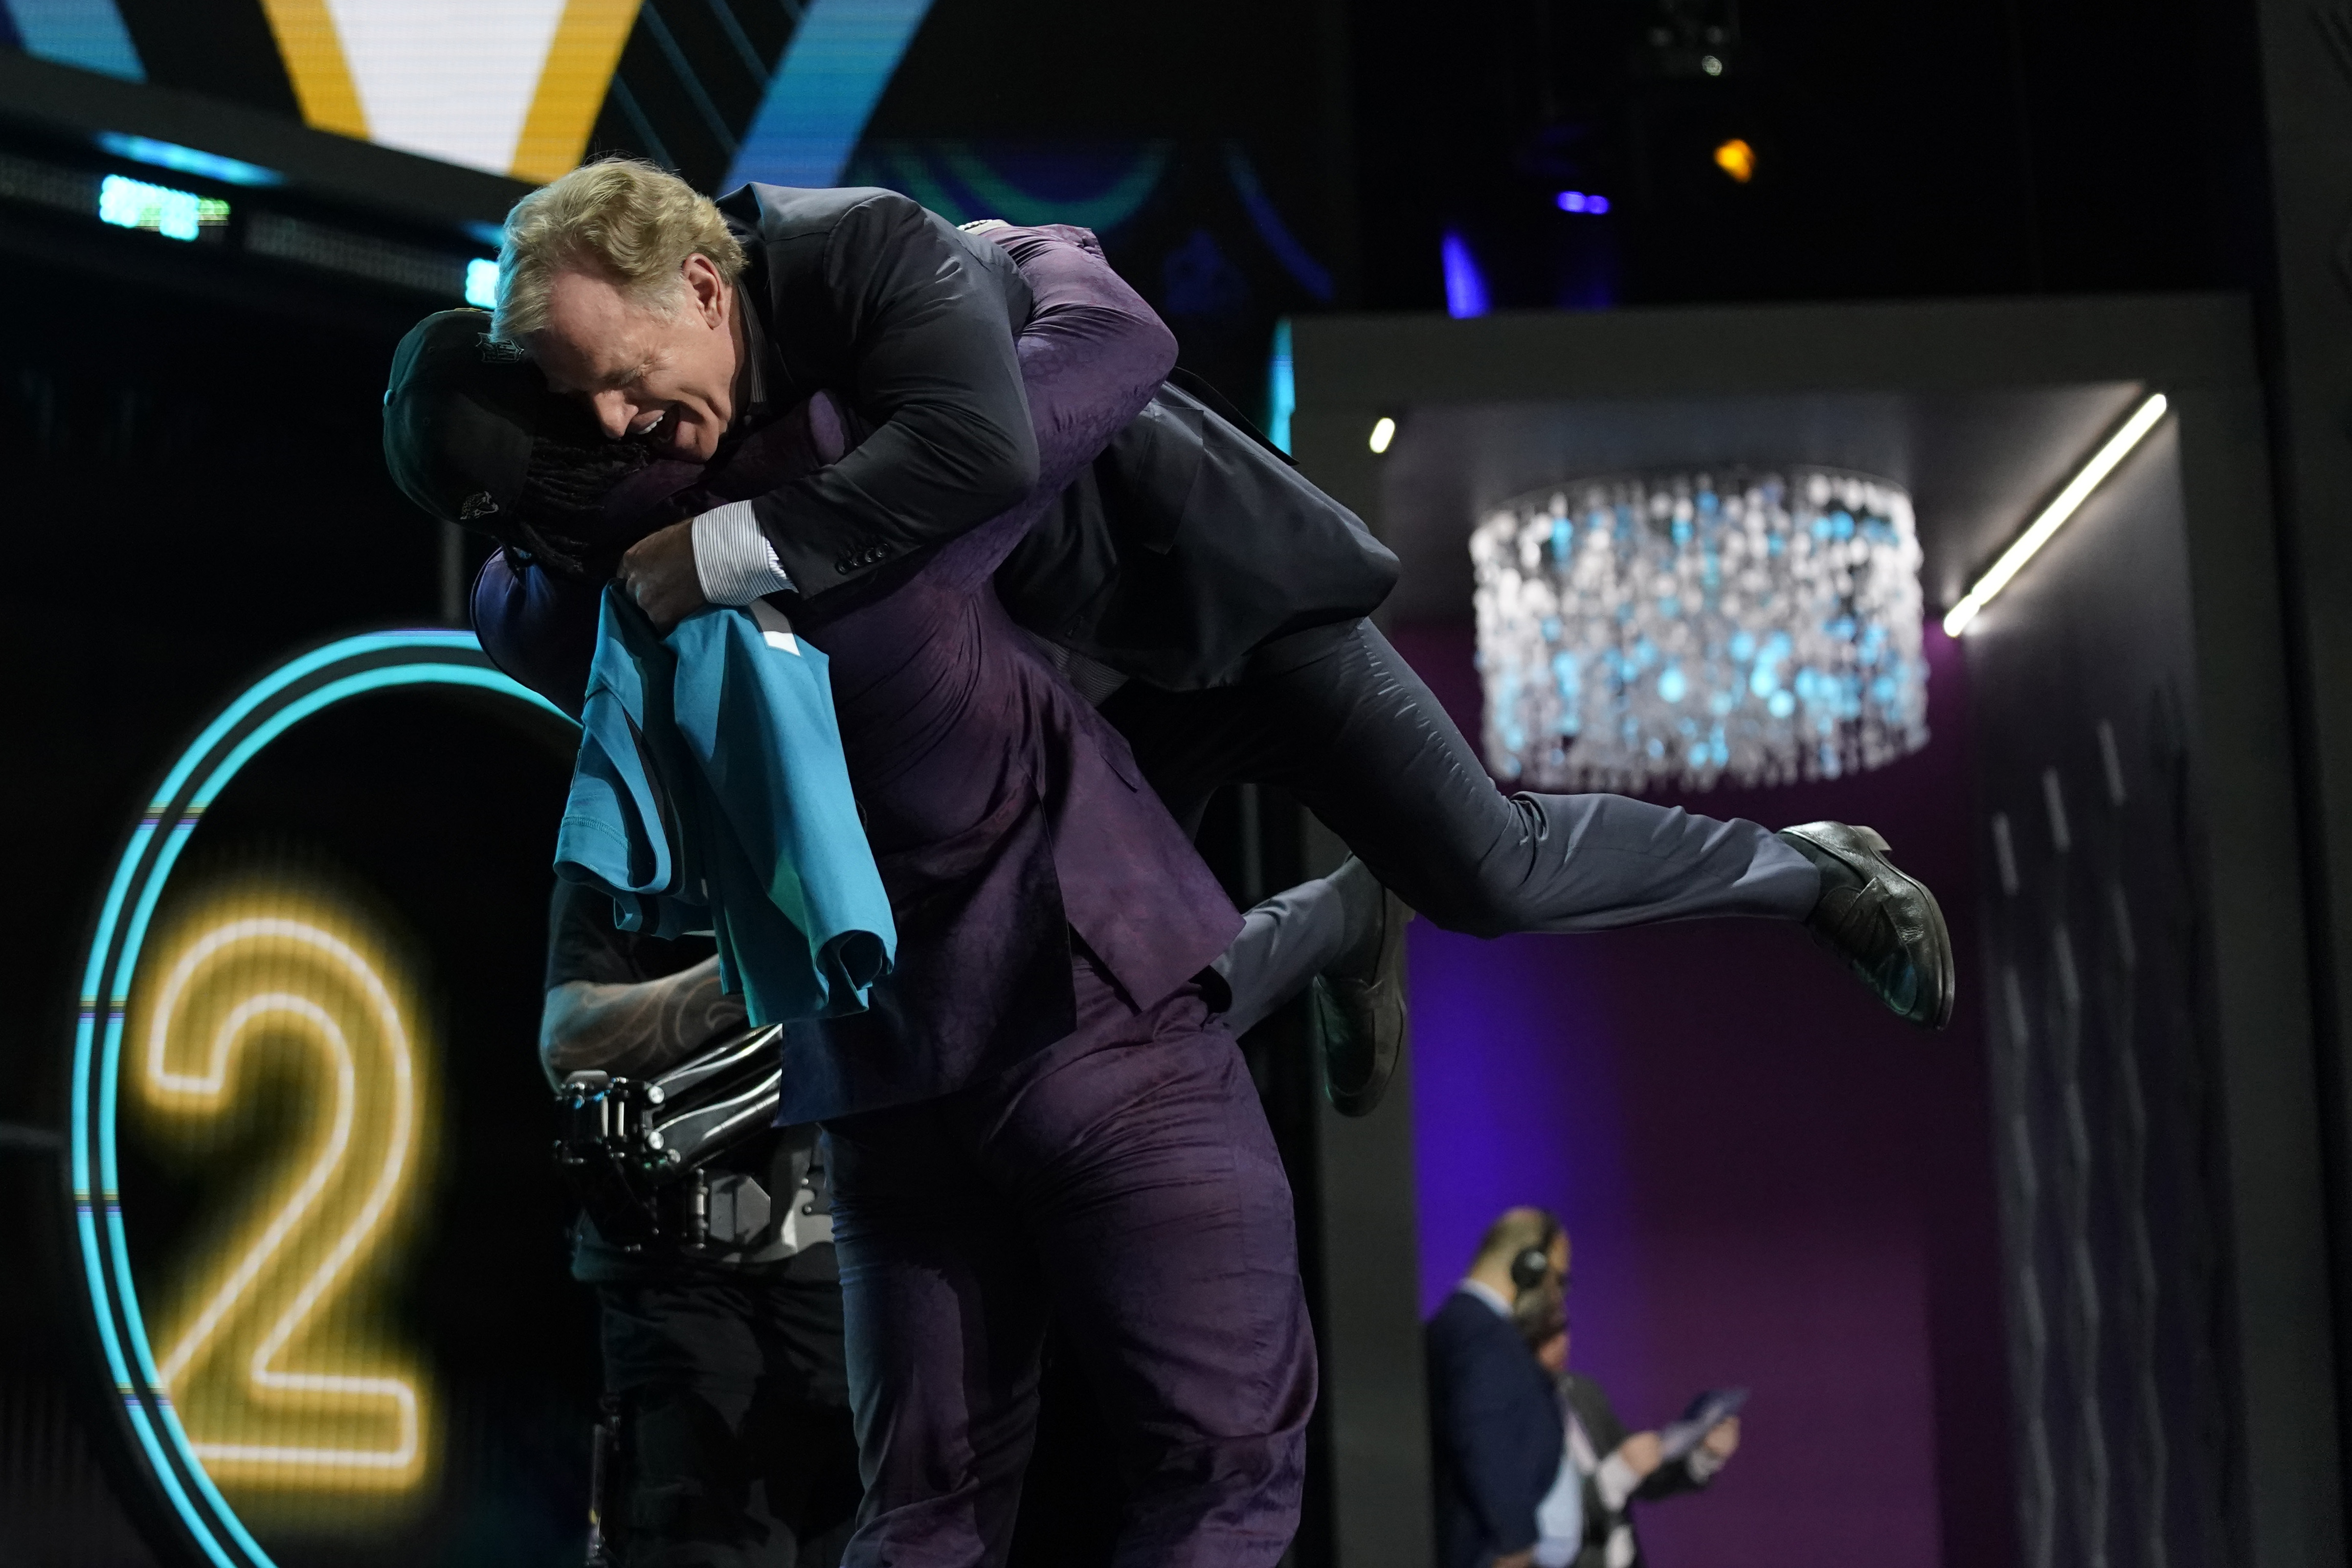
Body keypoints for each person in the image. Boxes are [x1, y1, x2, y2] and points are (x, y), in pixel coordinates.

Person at [485, 160, 1954, 1125]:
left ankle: (1812, 871)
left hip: (1230, 601)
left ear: (696, 283)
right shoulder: (687, 411)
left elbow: (983, 451)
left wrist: (726, 551)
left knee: (1493, 873)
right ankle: (1327, 926)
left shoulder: (857, 249)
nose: (618, 423)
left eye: (620, 382)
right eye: (583, 406)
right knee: (1112, 1002)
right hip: (1095, 692)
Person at [385, 258, 1341, 1563]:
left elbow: (527, 593)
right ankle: (1346, 911)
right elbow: (1111, 351)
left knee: (928, 1515)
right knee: (1199, 1480)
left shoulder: (609, 605)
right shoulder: (804, 547)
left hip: (881, 1136)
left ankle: (1343, 914)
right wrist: (1027, 255)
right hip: (925, 1117)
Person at [542, 875, 860, 1568]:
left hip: (876, 1302)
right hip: (690, 1290)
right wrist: (757, 966)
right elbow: (568, 1042)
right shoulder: (638, 801)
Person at [1426, 1210, 1738, 1568]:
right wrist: (1517, 1545)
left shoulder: (1581, 1394)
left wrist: (1701, 1455)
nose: (1559, 1300)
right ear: (1528, 1267)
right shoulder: (1485, 1344)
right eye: (1557, 1282)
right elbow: (1486, 1452)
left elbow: (1645, 1476)